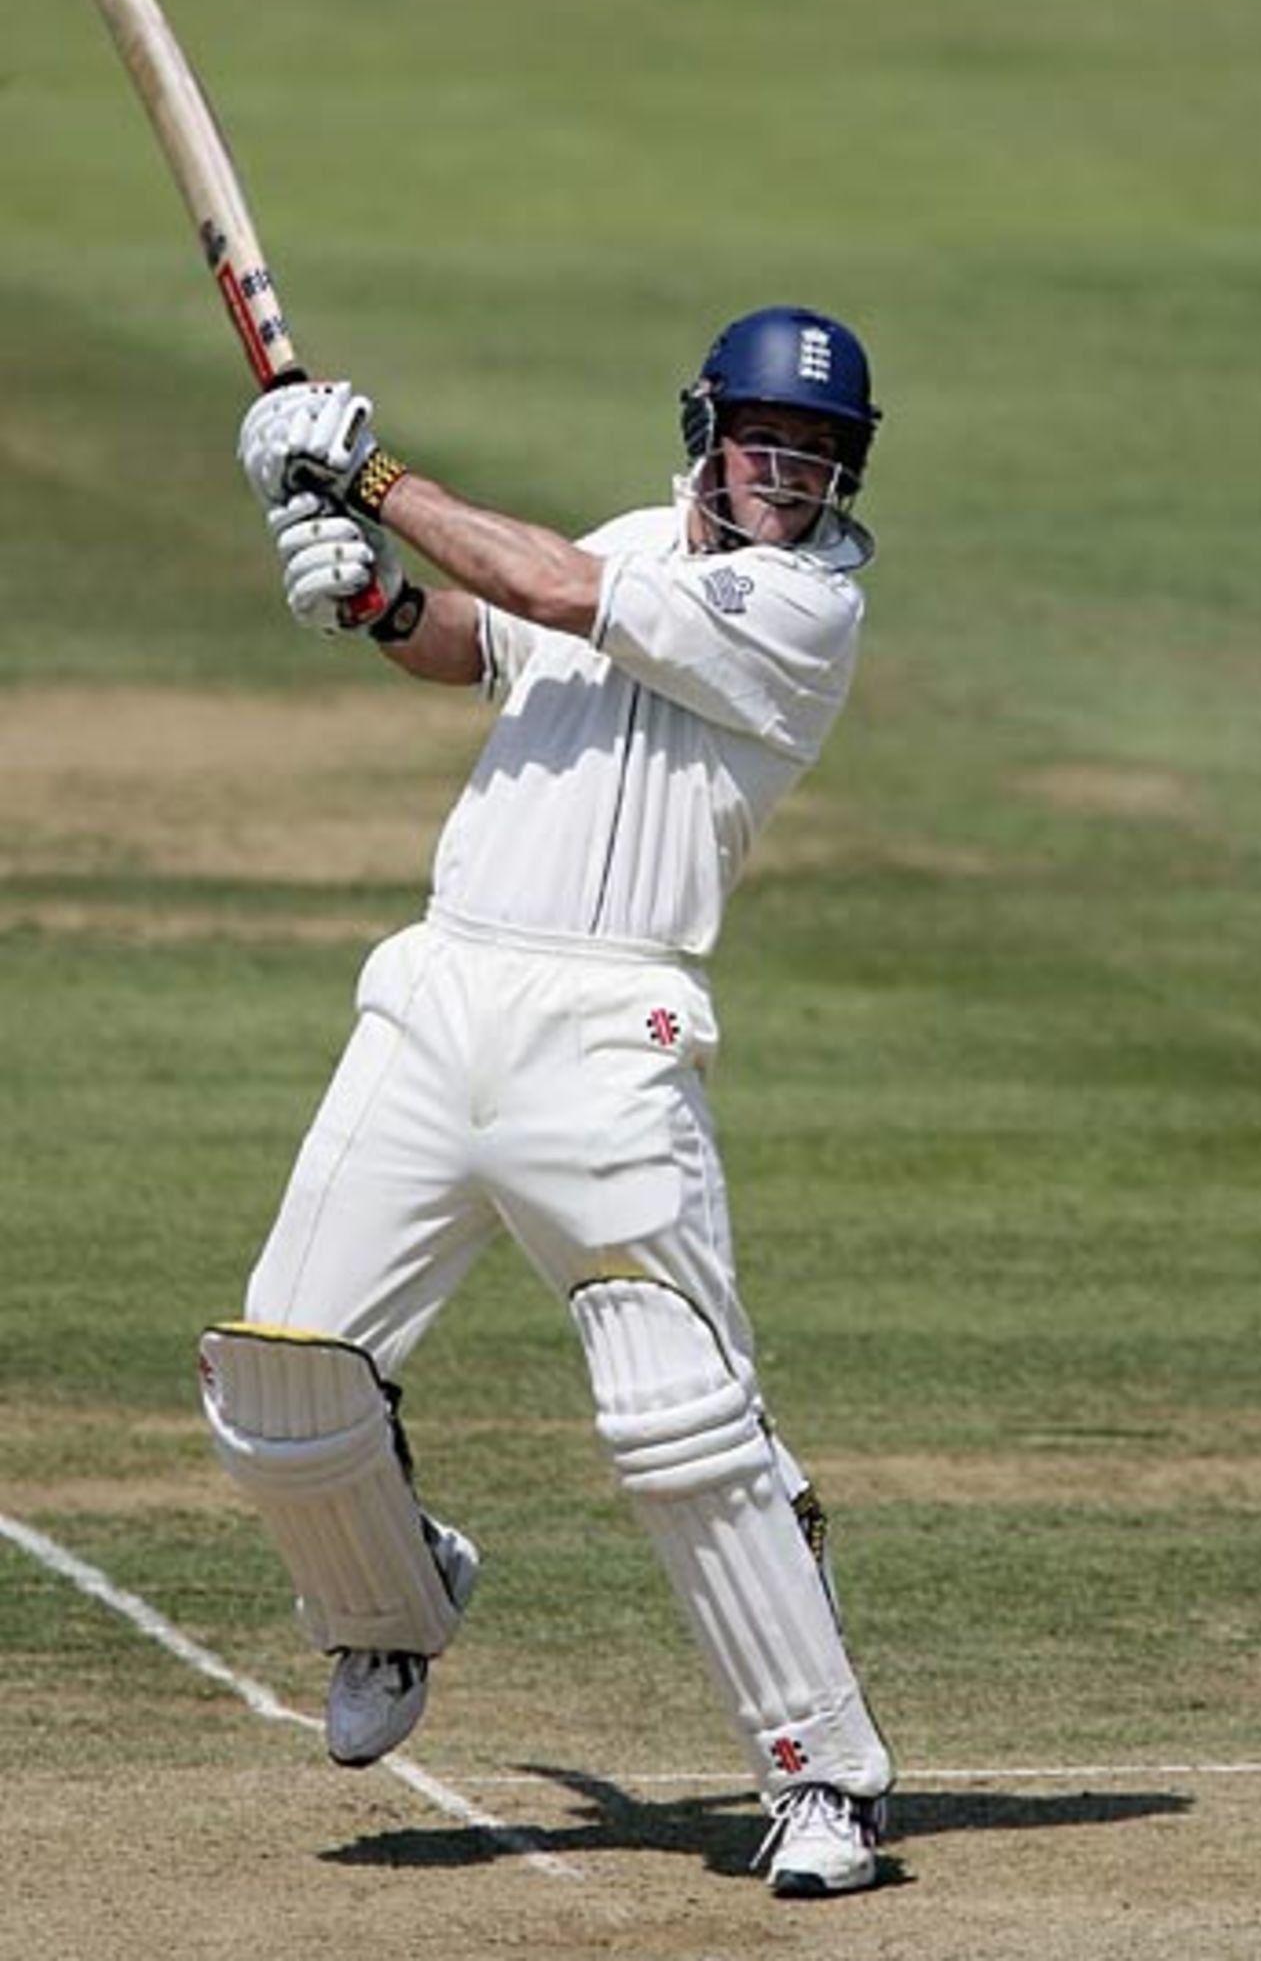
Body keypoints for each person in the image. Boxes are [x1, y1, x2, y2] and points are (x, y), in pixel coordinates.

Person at [197, 304, 895, 1899]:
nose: (782, 479)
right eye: (761, 444)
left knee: (681, 1432)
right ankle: (393, 1601)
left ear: (842, 477)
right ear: (707, 428)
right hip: (441, 990)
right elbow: (488, 637)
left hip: (608, 1029)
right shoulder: (641, 532)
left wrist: (361, 472)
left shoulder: (798, 609)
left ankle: (824, 1777)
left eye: (813, 459)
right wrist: (375, 598)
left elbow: (552, 588)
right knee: (279, 1383)